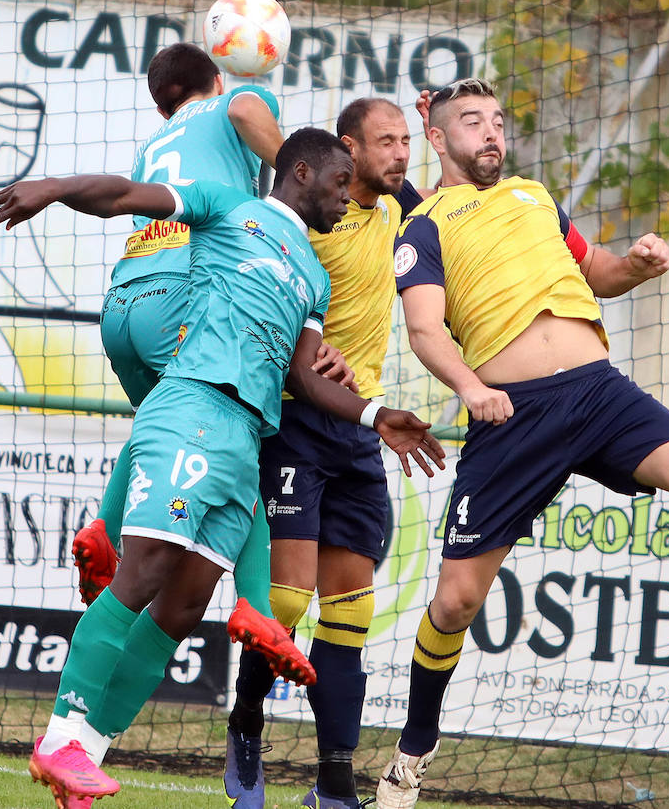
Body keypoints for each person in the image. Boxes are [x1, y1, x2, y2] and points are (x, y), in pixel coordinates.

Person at [0, 127, 446, 809]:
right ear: (301, 171)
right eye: (340, 182)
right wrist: (52, 190)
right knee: (143, 573)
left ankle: (87, 757)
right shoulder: (230, 207)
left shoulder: (313, 278)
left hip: (245, 439)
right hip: (193, 404)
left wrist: (376, 415)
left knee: (183, 606)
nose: (348, 198)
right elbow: (123, 196)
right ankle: (59, 737)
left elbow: (306, 379)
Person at [376, 78, 669, 809]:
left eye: (497, 121)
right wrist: (471, 389)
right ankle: (410, 758)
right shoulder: (425, 225)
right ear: (437, 140)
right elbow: (426, 330)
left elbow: (595, 270)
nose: (491, 133)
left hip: (597, 392)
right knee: (456, 602)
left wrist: (637, 263)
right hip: (512, 416)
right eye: (472, 122)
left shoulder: (537, 198)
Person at [72, 42, 334, 685]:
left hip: (122, 305)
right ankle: (256, 603)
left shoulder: (157, 141)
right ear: (214, 80)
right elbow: (249, 114)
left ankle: (106, 526)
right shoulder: (234, 102)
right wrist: (295, 165)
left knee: (168, 414)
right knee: (233, 422)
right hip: (180, 296)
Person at [224, 98, 425, 809]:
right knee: (285, 598)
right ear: (346, 149)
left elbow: (454, 203)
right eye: (387, 142)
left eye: (408, 141)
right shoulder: (311, 223)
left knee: (349, 617)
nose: (402, 155)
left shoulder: (400, 210)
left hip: (361, 432)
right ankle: (246, 719)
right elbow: (249, 114)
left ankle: (334, 785)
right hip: (297, 420)